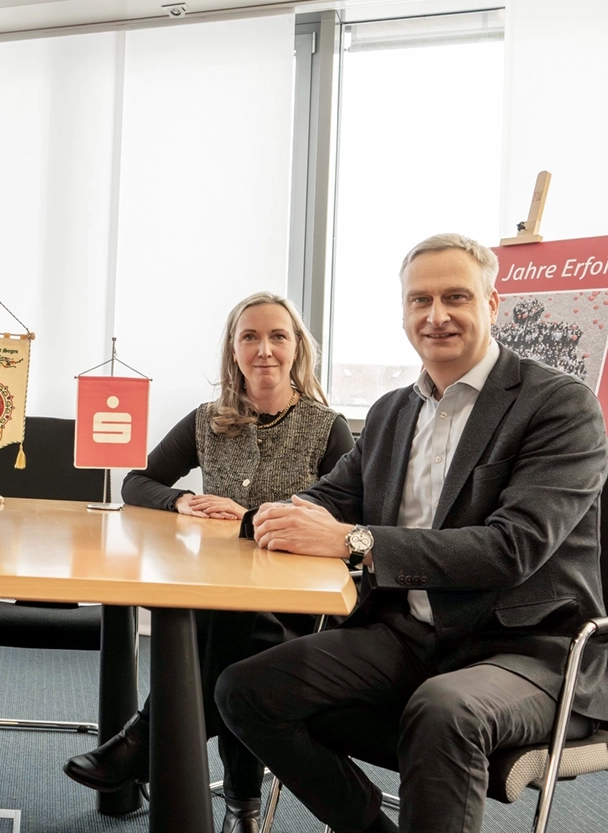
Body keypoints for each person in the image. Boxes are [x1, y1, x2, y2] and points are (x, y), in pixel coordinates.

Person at [216, 234, 608, 833]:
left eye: (456, 297)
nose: (436, 315)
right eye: (420, 300)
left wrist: (355, 541)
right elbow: (328, 498)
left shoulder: (558, 405)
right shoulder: (392, 411)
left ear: (492, 304)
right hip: (408, 634)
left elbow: (512, 548)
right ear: (403, 312)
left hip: (531, 647)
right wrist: (267, 518)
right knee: (246, 688)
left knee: (443, 710)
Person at [64, 291, 353, 833]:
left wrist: (249, 517)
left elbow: (348, 517)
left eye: (277, 336)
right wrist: (180, 500)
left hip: (297, 605)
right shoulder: (207, 421)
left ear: (297, 348)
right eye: (250, 337)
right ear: (233, 350)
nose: (264, 349)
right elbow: (137, 482)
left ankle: (146, 739)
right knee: (231, 634)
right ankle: (241, 807)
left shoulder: (326, 427)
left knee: (237, 633)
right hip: (221, 592)